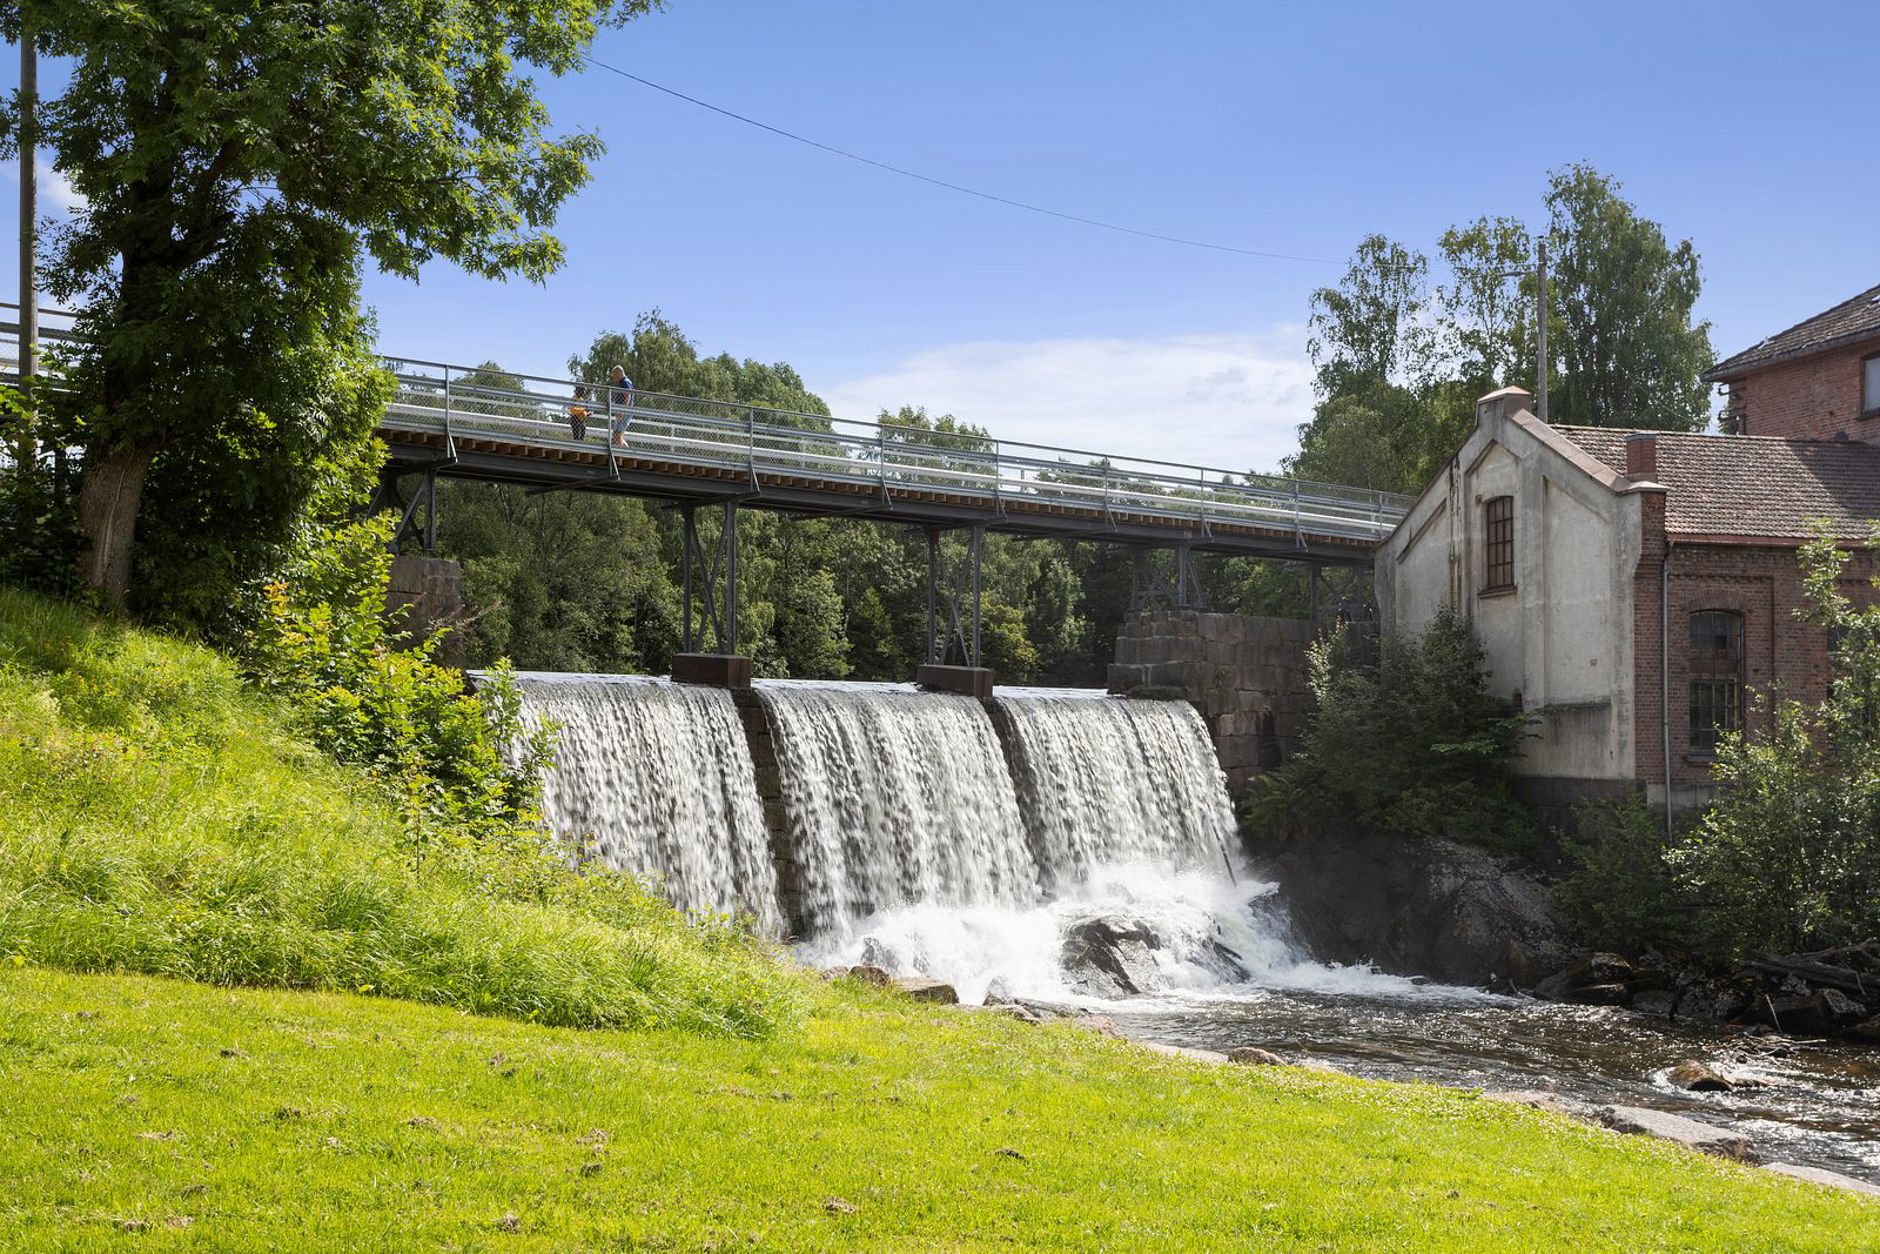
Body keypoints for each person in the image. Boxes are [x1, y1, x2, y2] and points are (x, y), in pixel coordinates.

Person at [607, 364, 635, 446]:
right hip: (622, 411)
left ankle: (622, 454)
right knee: (617, 434)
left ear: (619, 373)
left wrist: (622, 411)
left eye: (614, 375)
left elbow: (627, 397)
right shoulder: (623, 382)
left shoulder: (625, 382)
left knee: (617, 434)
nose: (614, 377)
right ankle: (625, 451)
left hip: (624, 412)